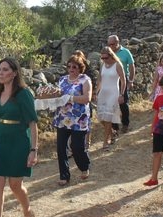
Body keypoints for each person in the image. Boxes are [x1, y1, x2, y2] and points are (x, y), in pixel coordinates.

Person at [0, 57, 38, 217]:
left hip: (18, 143)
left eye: (5, 69)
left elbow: (32, 123)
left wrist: (33, 149)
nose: (1, 73)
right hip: (1, 143)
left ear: (14, 73)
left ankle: (27, 212)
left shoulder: (23, 94)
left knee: (15, 185)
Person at [53, 53, 92, 186]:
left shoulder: (85, 80)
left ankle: (84, 166)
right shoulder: (62, 80)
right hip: (62, 118)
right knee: (61, 148)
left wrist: (70, 98)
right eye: (69, 66)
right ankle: (64, 175)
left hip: (78, 119)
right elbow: (57, 95)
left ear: (80, 68)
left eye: (74, 67)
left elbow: (87, 98)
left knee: (77, 147)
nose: (71, 69)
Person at [96, 46, 126, 150]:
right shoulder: (103, 65)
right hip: (103, 93)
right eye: (102, 58)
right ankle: (112, 133)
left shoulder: (117, 65)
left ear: (111, 55)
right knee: (101, 118)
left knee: (108, 118)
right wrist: (96, 92)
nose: (104, 60)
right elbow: (100, 79)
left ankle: (105, 143)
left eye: (106, 58)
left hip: (113, 94)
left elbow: (123, 80)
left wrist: (121, 94)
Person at [107, 35, 135, 134]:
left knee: (123, 102)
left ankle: (125, 124)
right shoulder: (108, 53)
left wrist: (131, 80)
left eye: (112, 44)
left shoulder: (126, 52)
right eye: (109, 44)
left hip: (122, 80)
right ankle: (115, 127)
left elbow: (131, 67)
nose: (110, 46)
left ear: (118, 42)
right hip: (111, 80)